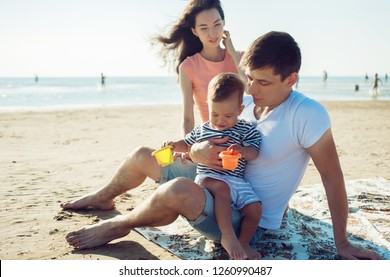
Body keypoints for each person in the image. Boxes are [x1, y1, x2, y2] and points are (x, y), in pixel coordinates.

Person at [62, 31, 381, 260]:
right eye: (249, 77)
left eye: (263, 82)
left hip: (240, 207)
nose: (251, 89)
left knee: (179, 190)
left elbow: (332, 177)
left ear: (291, 80)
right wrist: (197, 151)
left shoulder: (308, 114)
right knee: (143, 155)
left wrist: (342, 242)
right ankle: (104, 198)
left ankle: (121, 224)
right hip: (214, 175)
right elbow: (204, 133)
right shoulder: (243, 101)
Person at [163, 73, 262, 259]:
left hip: (235, 179)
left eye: (228, 115)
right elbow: (186, 143)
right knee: (222, 189)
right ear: (208, 106)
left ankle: (243, 243)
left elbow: (255, 151)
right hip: (208, 178)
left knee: (255, 209)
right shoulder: (204, 129)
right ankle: (227, 235)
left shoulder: (245, 129)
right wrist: (173, 145)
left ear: (240, 110)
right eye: (215, 114)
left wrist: (242, 151)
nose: (220, 120)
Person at [153, 0, 243, 135]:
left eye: (217, 24)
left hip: (244, 136)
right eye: (204, 28)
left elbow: (250, 88)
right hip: (211, 137)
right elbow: (188, 118)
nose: (212, 33)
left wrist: (233, 53)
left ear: (223, 23)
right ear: (195, 31)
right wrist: (187, 148)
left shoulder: (241, 58)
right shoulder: (189, 67)